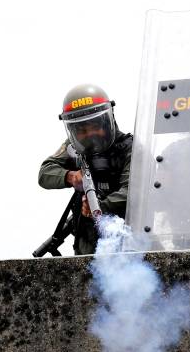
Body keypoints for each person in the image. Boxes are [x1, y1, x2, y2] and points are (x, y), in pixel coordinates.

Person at [38, 84, 133, 254]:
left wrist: (100, 206)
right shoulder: (75, 148)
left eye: (96, 126)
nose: (90, 134)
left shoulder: (130, 149)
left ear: (108, 120)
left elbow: (134, 192)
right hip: (87, 249)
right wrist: (71, 176)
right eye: (82, 129)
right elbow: (45, 172)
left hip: (130, 245)